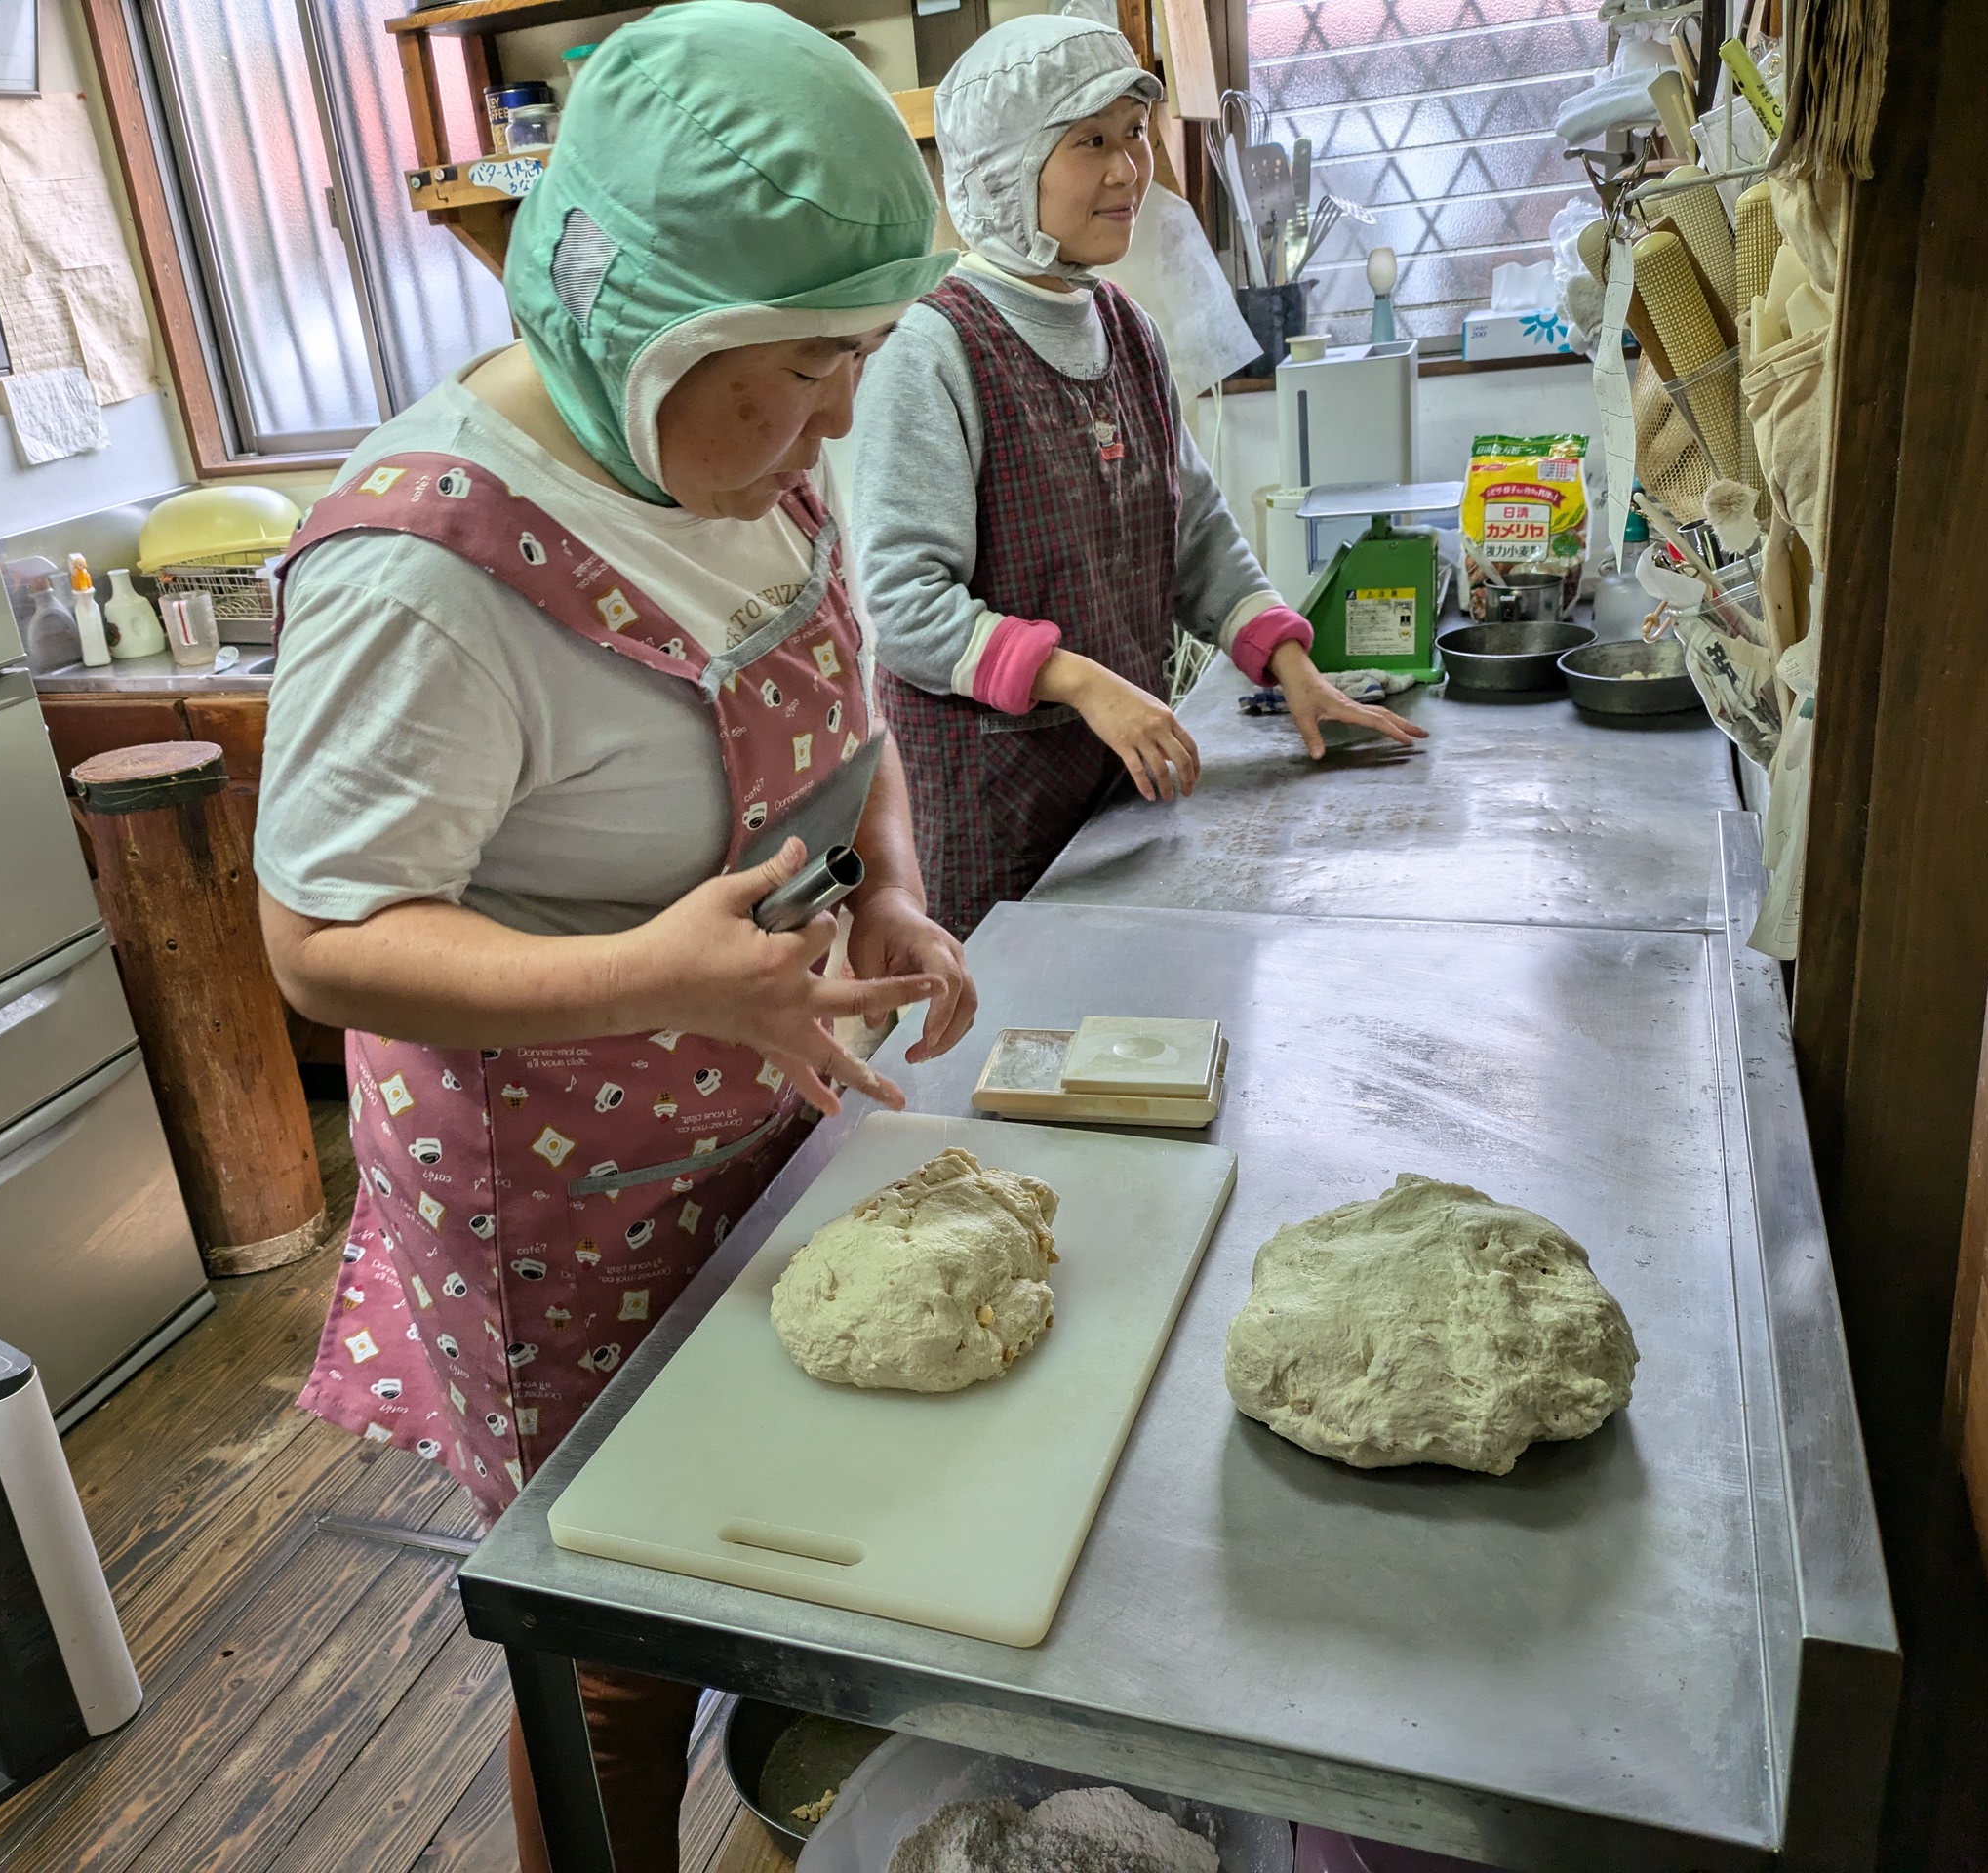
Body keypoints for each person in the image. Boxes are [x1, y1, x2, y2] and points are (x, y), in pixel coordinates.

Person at [251, 8, 973, 1864]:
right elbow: (322, 941)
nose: (835, 421)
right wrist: (657, 976)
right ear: (636, 318)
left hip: (755, 1108)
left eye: (857, 361)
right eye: (803, 370)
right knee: (617, 1644)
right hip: (560, 1186)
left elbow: (848, 712)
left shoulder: (734, 449)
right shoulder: (424, 572)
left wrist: (889, 877)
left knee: (781, 1504)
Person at [849, 14, 1427, 937]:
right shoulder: (932, 350)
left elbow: (1193, 532)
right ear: (1002, 170)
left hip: (1117, 778)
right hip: (989, 802)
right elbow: (907, 610)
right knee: (1002, 1014)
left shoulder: (1125, 327)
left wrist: (1297, 668)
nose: (1128, 169)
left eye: (1133, 133)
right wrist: (1085, 682)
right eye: (1090, 142)